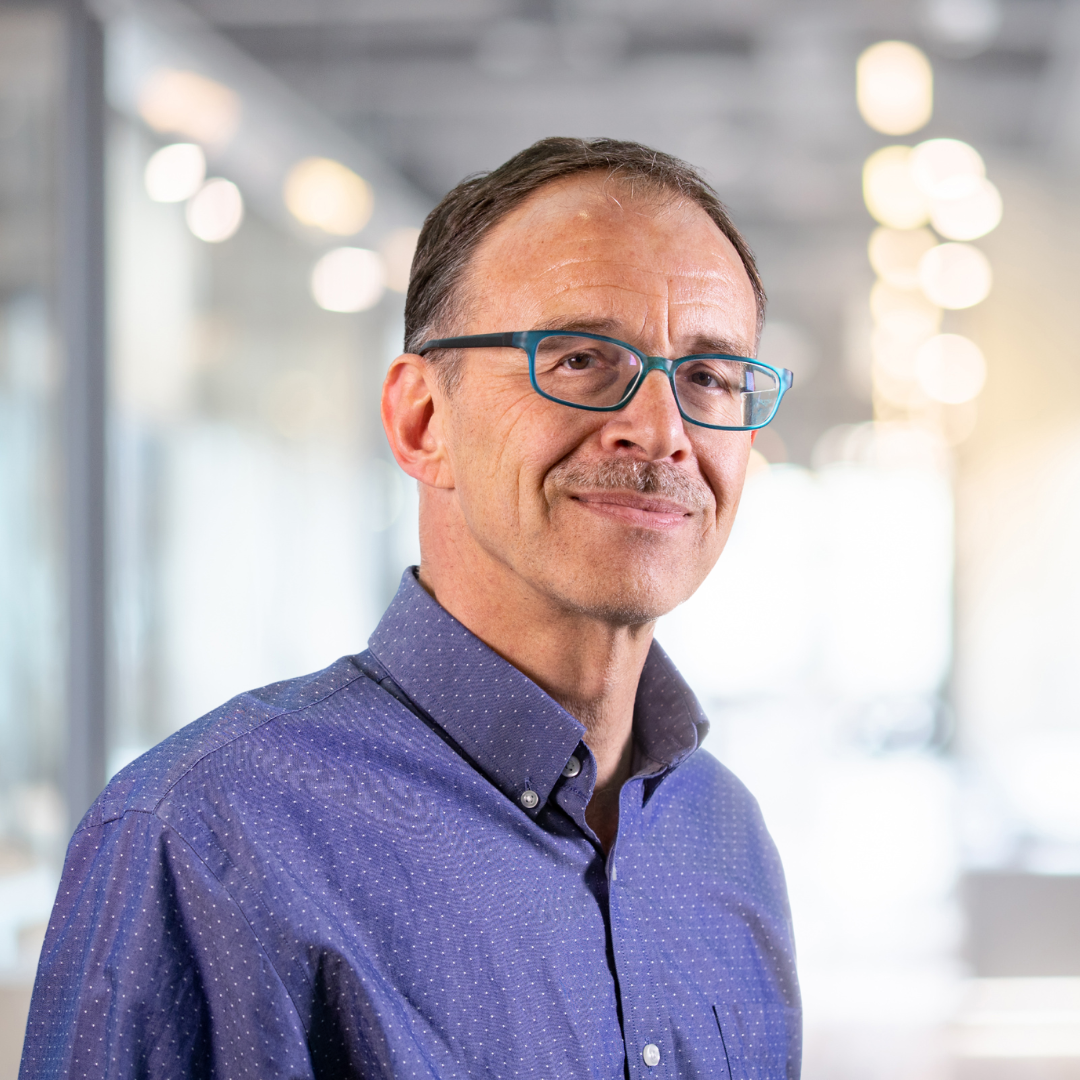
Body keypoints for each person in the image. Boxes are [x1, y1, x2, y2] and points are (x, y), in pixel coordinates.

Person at [21, 137, 799, 1079]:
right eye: (584, 357)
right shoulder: (202, 842)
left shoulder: (725, 841)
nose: (664, 430)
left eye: (712, 377)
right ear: (421, 419)